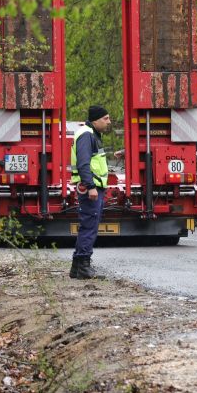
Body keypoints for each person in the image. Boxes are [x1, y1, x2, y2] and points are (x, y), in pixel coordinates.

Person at [70, 105, 112, 280]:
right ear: (96, 120)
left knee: (88, 226)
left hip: (92, 187)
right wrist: (91, 186)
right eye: (106, 118)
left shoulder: (91, 134)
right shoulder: (87, 135)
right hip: (90, 188)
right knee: (89, 227)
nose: (109, 122)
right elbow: (83, 164)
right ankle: (84, 267)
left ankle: (77, 267)